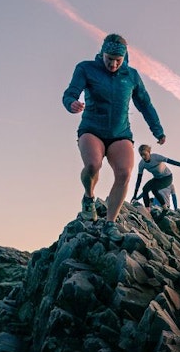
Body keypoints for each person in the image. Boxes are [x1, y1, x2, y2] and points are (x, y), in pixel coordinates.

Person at [62, 33, 165, 221]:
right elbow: (70, 93)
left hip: (120, 134)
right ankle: (89, 197)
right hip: (92, 129)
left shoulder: (131, 76)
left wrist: (157, 130)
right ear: (102, 54)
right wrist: (72, 103)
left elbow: (145, 105)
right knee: (93, 165)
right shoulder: (86, 68)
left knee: (124, 173)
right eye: (110, 59)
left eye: (118, 60)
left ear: (124, 58)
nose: (113, 64)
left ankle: (110, 222)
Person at [133, 144, 180, 211]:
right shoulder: (142, 164)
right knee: (145, 189)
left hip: (167, 178)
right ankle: (147, 210)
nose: (143, 157)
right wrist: (135, 195)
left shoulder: (156, 157)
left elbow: (172, 162)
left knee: (154, 189)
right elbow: (139, 180)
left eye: (144, 154)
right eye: (141, 155)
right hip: (157, 179)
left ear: (149, 152)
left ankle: (165, 208)